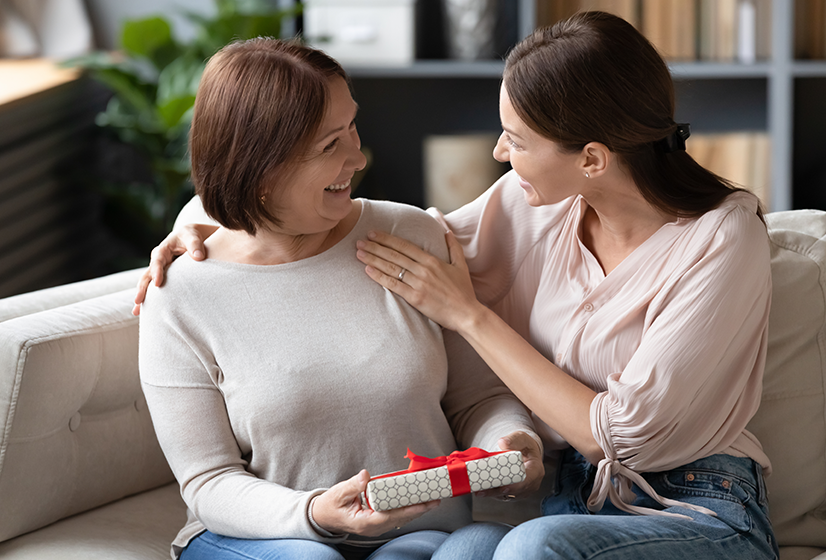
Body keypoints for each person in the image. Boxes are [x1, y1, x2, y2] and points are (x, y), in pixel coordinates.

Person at [137, 12, 779, 560]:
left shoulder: (723, 238)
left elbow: (625, 437)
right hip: (568, 498)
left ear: (591, 158)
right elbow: (352, 232)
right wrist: (203, 217)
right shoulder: (538, 201)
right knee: (493, 546)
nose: (500, 153)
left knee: (519, 548)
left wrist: (471, 317)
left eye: (518, 140)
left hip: (695, 498)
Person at [137, 37, 544, 560]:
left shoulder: (411, 236)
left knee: (480, 545)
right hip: (267, 538)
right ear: (261, 170)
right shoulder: (181, 294)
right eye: (330, 146)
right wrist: (311, 514)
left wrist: (511, 441)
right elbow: (208, 481)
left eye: (352, 126)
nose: (358, 156)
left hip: (421, 536)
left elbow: (477, 399)